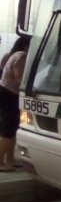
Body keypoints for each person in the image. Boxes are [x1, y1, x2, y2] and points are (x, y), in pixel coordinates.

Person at [0, 35, 30, 171]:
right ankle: (1, 162)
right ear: (26, 45)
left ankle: (10, 160)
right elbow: (20, 78)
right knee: (8, 130)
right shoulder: (22, 55)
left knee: (12, 130)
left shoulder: (15, 54)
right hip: (10, 94)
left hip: (8, 93)